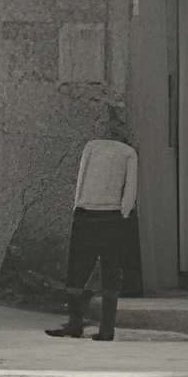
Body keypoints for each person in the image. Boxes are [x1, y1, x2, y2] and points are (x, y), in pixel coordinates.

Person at [48, 133, 139, 343]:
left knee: (77, 268)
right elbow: (130, 187)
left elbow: (82, 176)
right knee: (111, 270)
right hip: (113, 215)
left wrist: (77, 205)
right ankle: (107, 329)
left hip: (85, 212)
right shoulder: (129, 152)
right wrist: (124, 213)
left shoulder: (92, 146)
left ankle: (74, 323)